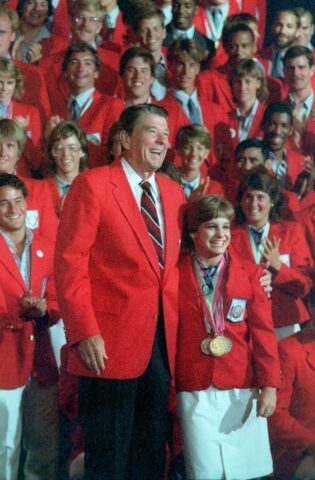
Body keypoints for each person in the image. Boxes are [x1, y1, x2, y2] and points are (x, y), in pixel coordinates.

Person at [54, 104, 185, 480]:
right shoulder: (92, 184)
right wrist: (83, 332)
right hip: (106, 346)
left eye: (166, 133)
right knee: (108, 460)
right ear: (124, 139)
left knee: (149, 455)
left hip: (161, 348)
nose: (162, 141)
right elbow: (69, 264)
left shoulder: (174, 194)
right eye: (152, 132)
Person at [176, 194, 280, 479]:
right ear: (194, 232)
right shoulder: (174, 274)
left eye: (225, 227)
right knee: (204, 472)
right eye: (211, 226)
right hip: (194, 385)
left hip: (241, 385)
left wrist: (269, 384)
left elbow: (264, 334)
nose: (220, 235)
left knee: (244, 471)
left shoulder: (251, 273)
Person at [0, 173, 59, 480]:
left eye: (18, 201)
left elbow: (60, 299)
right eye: (3, 203)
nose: (13, 209)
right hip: (3, 358)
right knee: (5, 446)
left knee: (43, 446)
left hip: (42, 360)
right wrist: (15, 313)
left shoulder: (48, 247)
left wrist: (46, 308)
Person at [232, 170, 313, 339]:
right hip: (244, 323)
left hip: (284, 322)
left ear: (273, 201)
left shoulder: (291, 232)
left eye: (260, 197)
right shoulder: (230, 235)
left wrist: (278, 267)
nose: (253, 203)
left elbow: (304, 285)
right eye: (248, 196)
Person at [268, 316, 315, 479]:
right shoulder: (288, 349)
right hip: (297, 453)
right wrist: (310, 443)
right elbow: (275, 415)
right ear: (311, 307)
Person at [0, 57, 43, 174]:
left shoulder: (29, 112)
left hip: (20, 179)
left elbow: (36, 162)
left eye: (9, 83)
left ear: (16, 84)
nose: (4, 88)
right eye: (0, 82)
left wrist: (24, 134)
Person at [44, 121, 88, 217]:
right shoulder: (42, 189)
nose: (65, 154)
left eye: (72, 148)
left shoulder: (93, 187)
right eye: (59, 148)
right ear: (52, 152)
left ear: (82, 151)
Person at [175, 123, 224, 198]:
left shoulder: (214, 189)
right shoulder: (167, 181)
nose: (194, 153)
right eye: (187, 148)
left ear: (206, 153)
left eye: (200, 148)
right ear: (178, 150)